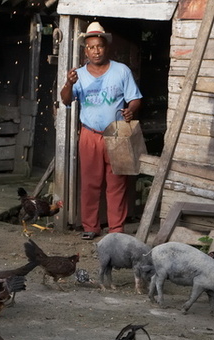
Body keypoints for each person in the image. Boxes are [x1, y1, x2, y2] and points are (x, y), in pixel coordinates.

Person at [60, 22, 143, 240]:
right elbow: (66, 101)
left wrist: (130, 110)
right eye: (91, 47)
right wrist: (68, 84)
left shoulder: (121, 71)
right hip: (89, 135)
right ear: (85, 50)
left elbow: (135, 98)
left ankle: (116, 230)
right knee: (90, 183)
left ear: (107, 48)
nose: (96, 51)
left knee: (117, 183)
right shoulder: (77, 75)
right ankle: (90, 227)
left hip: (116, 134)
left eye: (100, 46)